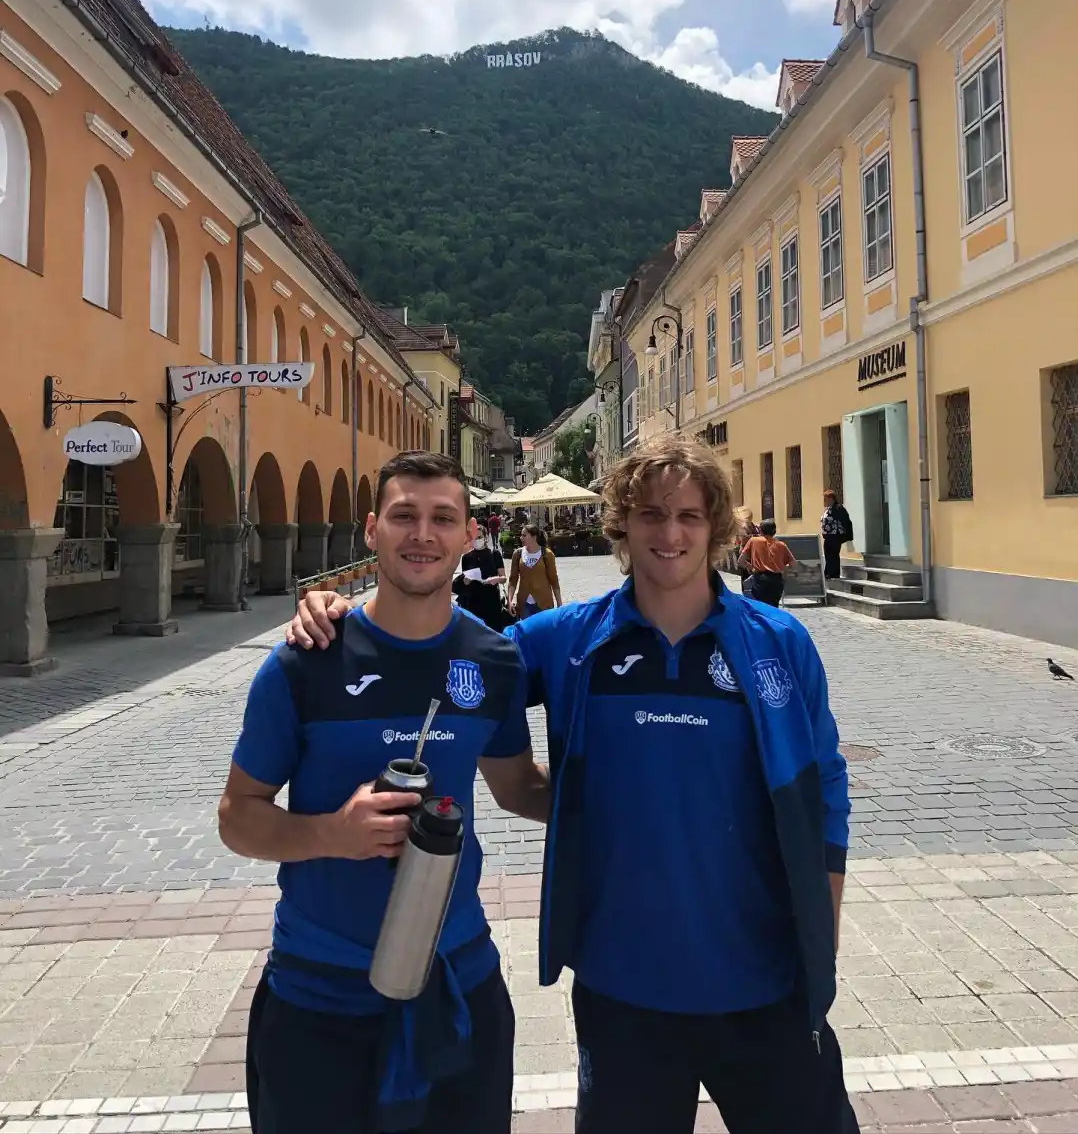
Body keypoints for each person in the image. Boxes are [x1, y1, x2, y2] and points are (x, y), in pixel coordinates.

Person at [287, 432, 856, 1134]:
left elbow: (824, 791)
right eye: (650, 514)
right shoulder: (566, 640)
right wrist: (345, 613)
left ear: (715, 528)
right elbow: (448, 651)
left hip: (768, 978)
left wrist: (819, 940)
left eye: (689, 517)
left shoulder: (778, 642)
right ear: (623, 525)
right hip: (623, 985)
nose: (669, 533)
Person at [222, 450, 550, 1134]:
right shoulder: (305, 661)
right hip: (319, 994)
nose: (422, 534)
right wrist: (330, 834)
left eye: (442, 519)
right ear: (372, 530)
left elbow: (520, 788)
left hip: (456, 983)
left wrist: (646, 794)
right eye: (404, 516)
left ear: (468, 536)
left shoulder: (493, 662)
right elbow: (237, 818)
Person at [452, 518, 509, 631]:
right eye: (474, 538)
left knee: (493, 631)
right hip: (473, 601)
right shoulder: (467, 558)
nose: (476, 540)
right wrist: (465, 581)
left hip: (492, 600)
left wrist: (495, 579)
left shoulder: (494, 554)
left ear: (485, 538)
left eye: (479, 537)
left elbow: (503, 578)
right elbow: (465, 577)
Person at [737, 519, 797, 608]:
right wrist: (783, 570)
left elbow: (740, 561)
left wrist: (751, 567)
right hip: (777, 581)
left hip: (760, 579)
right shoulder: (781, 545)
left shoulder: (753, 541)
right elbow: (793, 564)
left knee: (760, 608)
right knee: (774, 609)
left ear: (760, 530)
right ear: (774, 531)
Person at [506, 524, 562, 619]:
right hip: (524, 603)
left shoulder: (547, 554)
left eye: (524, 535)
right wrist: (510, 601)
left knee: (543, 632)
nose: (521, 538)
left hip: (544, 602)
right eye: (521, 535)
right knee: (526, 632)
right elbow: (513, 579)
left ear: (534, 537)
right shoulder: (518, 554)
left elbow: (554, 580)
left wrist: (559, 604)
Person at [821, 490, 853, 580]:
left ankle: (834, 574)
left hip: (835, 536)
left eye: (825, 499)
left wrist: (845, 535)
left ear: (831, 499)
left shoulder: (838, 508)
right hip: (828, 537)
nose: (824, 501)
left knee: (833, 555)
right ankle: (828, 573)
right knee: (827, 555)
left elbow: (845, 522)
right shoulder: (827, 509)